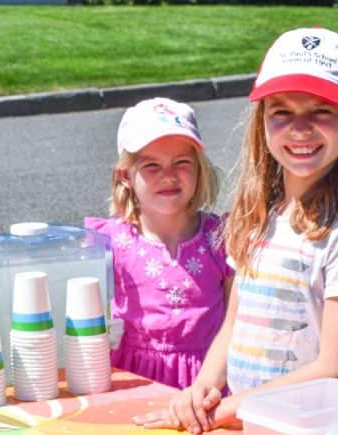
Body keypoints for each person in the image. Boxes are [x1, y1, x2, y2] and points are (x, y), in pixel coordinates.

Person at [136, 27, 338, 433]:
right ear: (263, 121)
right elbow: (234, 324)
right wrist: (201, 390)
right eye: (282, 112)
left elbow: (336, 368)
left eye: (321, 110)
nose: (300, 128)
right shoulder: (260, 215)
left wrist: (225, 412)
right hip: (256, 430)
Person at [85, 97, 233, 389]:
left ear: (199, 169)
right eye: (152, 165)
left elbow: (236, 322)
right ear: (125, 176)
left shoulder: (221, 240)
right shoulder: (109, 243)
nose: (168, 176)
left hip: (206, 384)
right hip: (131, 383)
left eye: (181, 162)